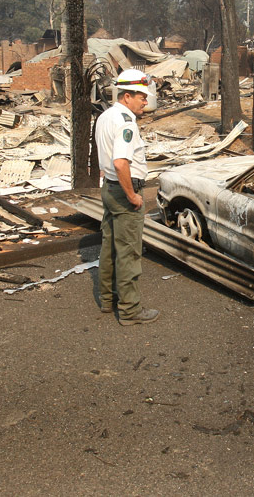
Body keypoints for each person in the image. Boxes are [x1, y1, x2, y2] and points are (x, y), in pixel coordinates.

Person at [94, 69, 159, 325]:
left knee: (109, 247)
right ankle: (130, 310)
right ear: (127, 96)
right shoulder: (126, 121)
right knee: (129, 251)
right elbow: (121, 163)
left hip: (109, 187)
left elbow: (106, 158)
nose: (145, 101)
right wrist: (132, 195)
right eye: (142, 96)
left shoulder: (106, 116)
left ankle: (107, 300)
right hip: (124, 189)